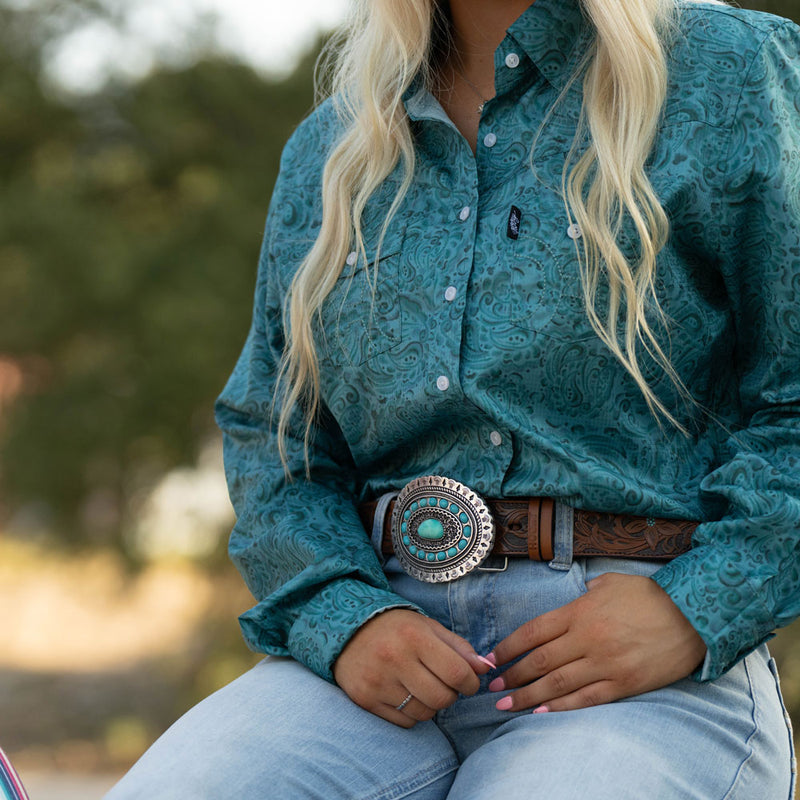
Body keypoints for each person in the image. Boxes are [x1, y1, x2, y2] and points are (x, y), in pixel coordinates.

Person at [106, 0, 799, 797]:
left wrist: (693, 608)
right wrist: (343, 614)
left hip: (643, 666)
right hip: (384, 659)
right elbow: (277, 433)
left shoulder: (724, 68)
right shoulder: (335, 146)